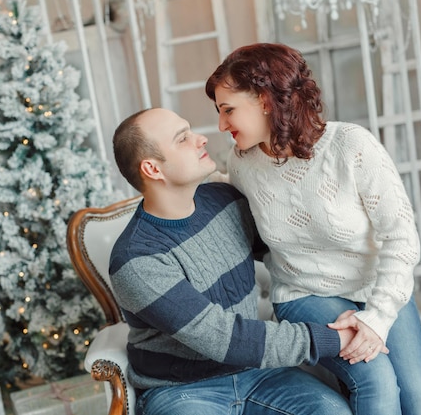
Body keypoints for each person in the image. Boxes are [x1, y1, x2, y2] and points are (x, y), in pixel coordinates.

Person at [205, 42, 421, 415]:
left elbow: (401, 237)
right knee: (376, 380)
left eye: (228, 110)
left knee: (419, 398)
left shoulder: (351, 145)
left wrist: (376, 317)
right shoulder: (242, 163)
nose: (221, 125)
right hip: (305, 294)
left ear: (265, 100)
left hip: (376, 285)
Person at [109, 107, 355, 415]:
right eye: (182, 138)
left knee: (333, 412)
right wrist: (334, 338)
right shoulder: (136, 259)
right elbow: (224, 338)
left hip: (258, 373)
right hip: (182, 391)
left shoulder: (226, 200)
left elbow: (295, 250)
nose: (200, 139)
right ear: (153, 169)